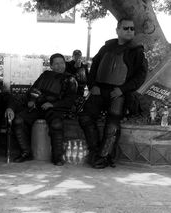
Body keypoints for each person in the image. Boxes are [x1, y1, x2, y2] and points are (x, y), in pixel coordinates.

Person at [78, 17, 148, 169]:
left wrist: (122, 89)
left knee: (112, 124)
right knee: (84, 116)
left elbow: (141, 76)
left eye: (132, 28)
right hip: (99, 90)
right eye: (125, 28)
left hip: (119, 93)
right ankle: (96, 151)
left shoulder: (137, 51)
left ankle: (103, 157)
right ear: (117, 30)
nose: (130, 31)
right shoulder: (105, 48)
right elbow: (94, 68)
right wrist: (92, 86)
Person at [12, 53, 78, 166]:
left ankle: (57, 156)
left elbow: (70, 101)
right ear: (51, 66)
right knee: (19, 120)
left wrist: (53, 104)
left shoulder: (70, 79)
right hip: (39, 107)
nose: (60, 66)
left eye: (62, 63)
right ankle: (26, 152)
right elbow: (33, 90)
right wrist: (32, 100)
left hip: (56, 109)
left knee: (56, 124)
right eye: (56, 64)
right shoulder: (45, 75)